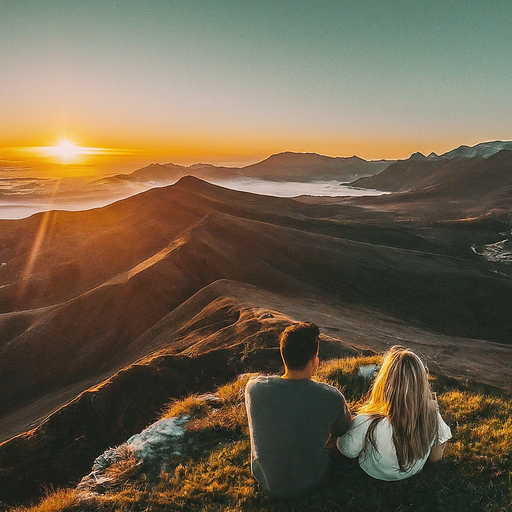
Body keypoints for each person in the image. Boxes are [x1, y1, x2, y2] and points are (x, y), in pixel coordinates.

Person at [245, 322, 352, 498]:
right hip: (311, 482)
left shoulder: (254, 388)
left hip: (267, 482)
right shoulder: (330, 396)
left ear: (283, 356)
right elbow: (344, 431)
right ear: (314, 361)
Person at [337, 345, 452, 481]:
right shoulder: (432, 417)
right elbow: (436, 457)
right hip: (413, 473)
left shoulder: (367, 421)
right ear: (422, 385)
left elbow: (346, 450)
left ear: (384, 383)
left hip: (372, 475)